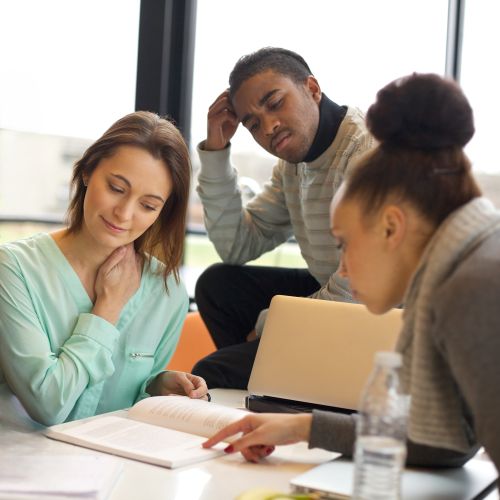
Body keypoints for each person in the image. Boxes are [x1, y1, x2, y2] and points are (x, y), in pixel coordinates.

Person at [203, 72, 500, 473]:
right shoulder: (466, 264)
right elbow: (444, 442)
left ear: (392, 227)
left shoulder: (472, 289)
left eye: (344, 245)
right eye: (253, 121)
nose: (340, 268)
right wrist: (302, 426)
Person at [0, 111, 208, 426]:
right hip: (24, 468)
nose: (124, 213)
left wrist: (156, 385)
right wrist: (106, 310)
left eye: (148, 206)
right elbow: (48, 405)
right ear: (87, 171)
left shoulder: (168, 292)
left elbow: (128, 396)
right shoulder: (14, 270)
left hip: (115, 466)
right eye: (116, 187)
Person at [193, 47, 374, 389]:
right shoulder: (293, 165)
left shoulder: (367, 153)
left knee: (211, 372)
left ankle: (283, 384)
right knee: (219, 286)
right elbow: (235, 246)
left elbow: (360, 288)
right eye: (253, 123)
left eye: (275, 103)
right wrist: (216, 153)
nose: (269, 127)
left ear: (312, 88)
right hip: (336, 293)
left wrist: (269, 325)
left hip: (383, 316)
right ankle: (281, 382)